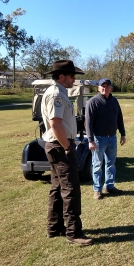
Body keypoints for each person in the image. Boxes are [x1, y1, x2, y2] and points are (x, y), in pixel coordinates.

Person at [41, 60, 94, 246]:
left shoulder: (59, 93)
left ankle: (54, 227)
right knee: (70, 189)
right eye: (72, 76)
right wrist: (68, 147)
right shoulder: (57, 94)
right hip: (60, 146)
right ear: (61, 76)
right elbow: (56, 124)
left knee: (57, 188)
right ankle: (73, 232)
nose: (74, 79)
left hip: (56, 146)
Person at [85, 78, 126, 200]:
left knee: (111, 164)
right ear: (98, 88)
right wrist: (90, 140)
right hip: (98, 139)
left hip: (112, 138)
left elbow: (119, 118)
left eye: (107, 86)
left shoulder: (114, 101)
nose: (105, 88)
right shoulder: (93, 102)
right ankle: (97, 189)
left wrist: (123, 134)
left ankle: (109, 186)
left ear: (111, 88)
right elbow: (88, 123)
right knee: (97, 164)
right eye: (102, 86)